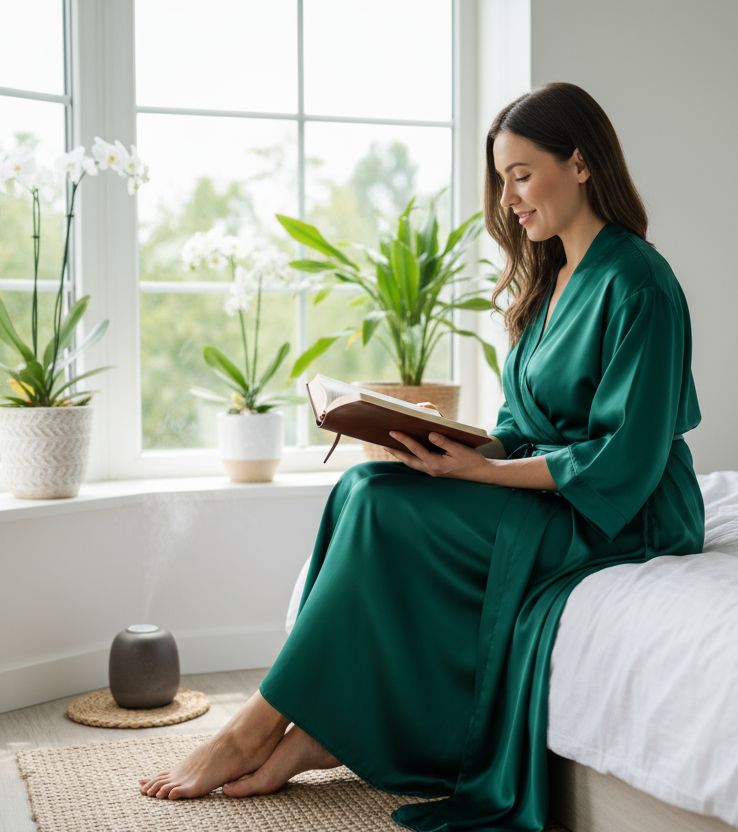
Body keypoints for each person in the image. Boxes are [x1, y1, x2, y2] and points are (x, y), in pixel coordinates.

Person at [138, 81, 704, 832]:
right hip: (544, 483)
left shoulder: (640, 283)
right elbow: (520, 425)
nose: (508, 200)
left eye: (522, 175)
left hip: (623, 511)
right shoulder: (550, 279)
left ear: (581, 163)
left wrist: (484, 473)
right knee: (364, 485)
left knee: (381, 508)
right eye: (501, 180)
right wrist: (443, 445)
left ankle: (253, 728)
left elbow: (625, 456)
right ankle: (316, 727)